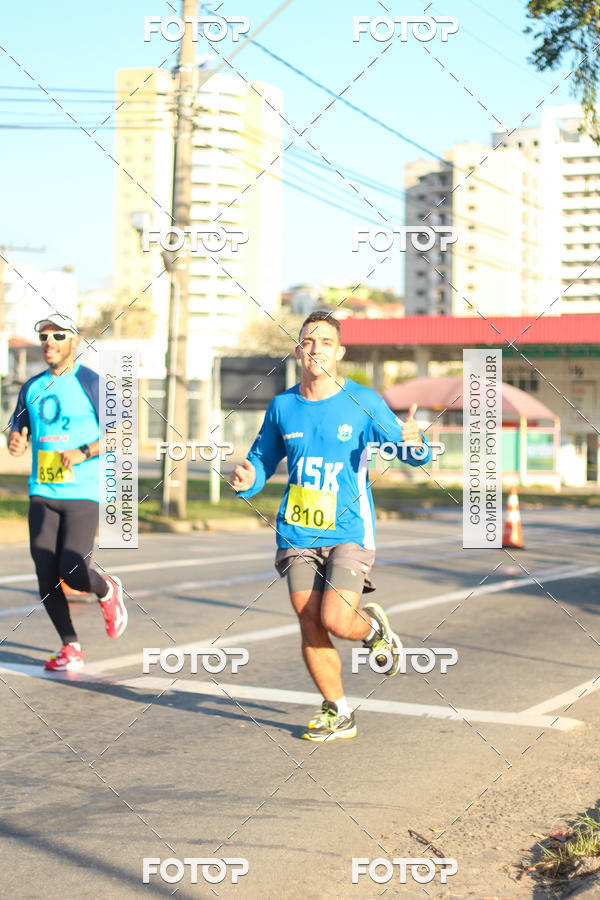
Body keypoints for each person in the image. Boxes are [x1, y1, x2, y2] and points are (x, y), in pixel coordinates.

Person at [229, 310, 430, 741]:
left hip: (349, 530)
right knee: (309, 620)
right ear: (299, 350)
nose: (315, 347)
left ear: (339, 352)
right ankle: (338, 711)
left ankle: (374, 630)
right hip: (297, 529)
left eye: (324, 341)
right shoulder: (283, 405)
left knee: (337, 618)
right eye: (307, 340)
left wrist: (416, 445)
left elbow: (406, 450)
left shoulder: (363, 401)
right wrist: (249, 480)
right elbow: (263, 458)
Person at [7, 313, 128, 671]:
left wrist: (83, 452)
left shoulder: (92, 382)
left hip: (82, 490)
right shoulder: (32, 386)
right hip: (43, 487)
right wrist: (15, 440)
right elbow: (18, 428)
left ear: (74, 341)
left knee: (73, 571)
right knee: (45, 574)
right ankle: (70, 645)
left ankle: (106, 589)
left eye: (58, 336)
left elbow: (123, 433)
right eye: (43, 336)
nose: (49, 343)